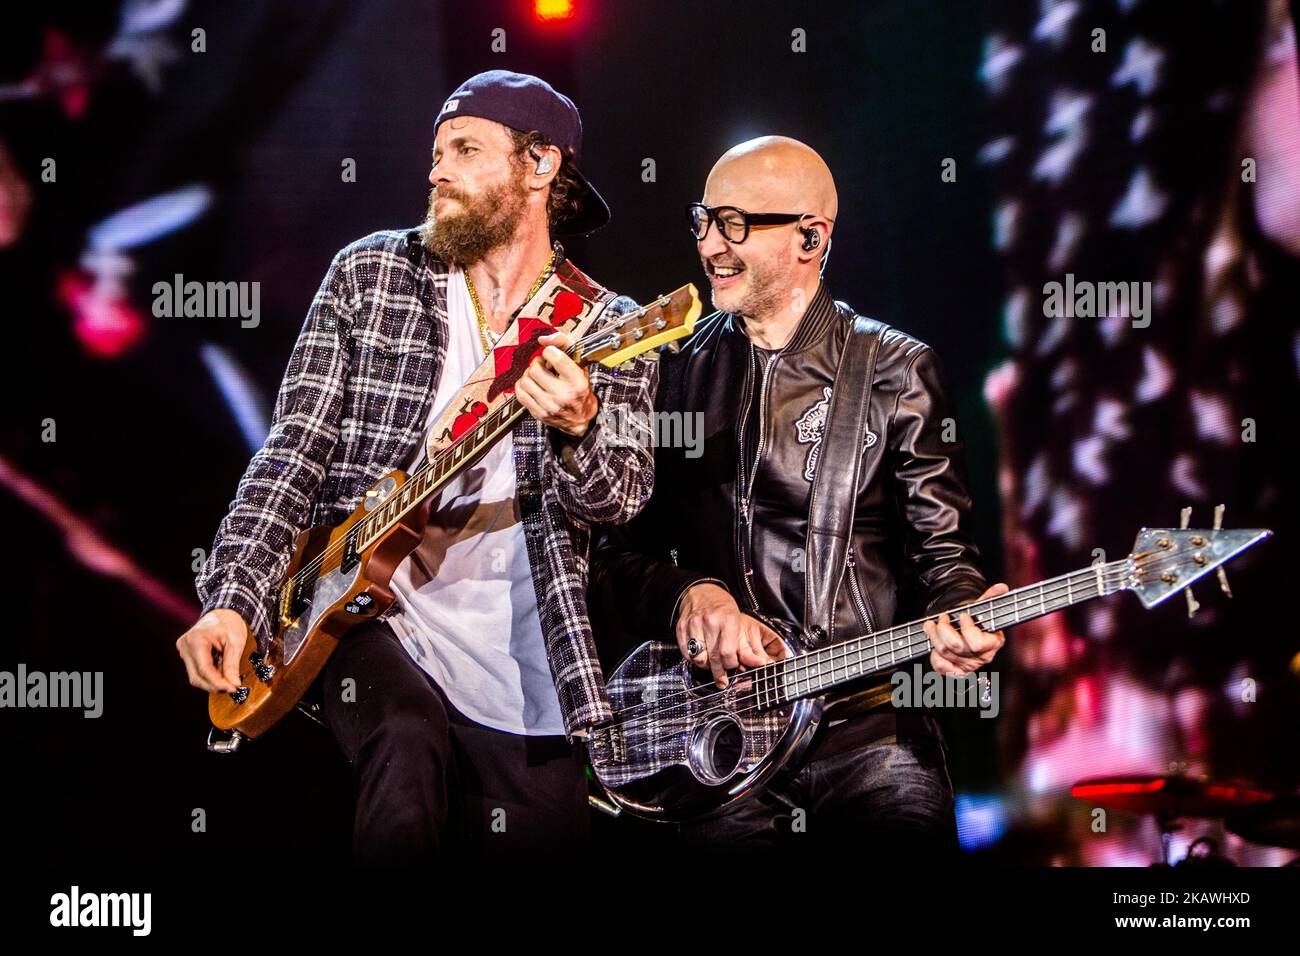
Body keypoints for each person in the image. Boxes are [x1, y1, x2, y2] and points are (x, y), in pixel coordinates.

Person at [175, 70, 657, 861]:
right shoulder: (372, 275)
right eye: (436, 153)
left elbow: (622, 498)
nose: (436, 171)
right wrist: (235, 598)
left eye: (466, 150)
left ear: (539, 169)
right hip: (371, 612)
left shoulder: (607, 326)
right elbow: (293, 452)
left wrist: (580, 426)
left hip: (528, 670)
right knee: (403, 742)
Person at [591, 136, 1008, 855]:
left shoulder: (897, 370)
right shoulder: (671, 372)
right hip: (719, 744)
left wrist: (961, 618)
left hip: (872, 737)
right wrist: (692, 595)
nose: (710, 245)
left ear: (811, 237)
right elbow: (613, 556)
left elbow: (946, 558)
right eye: (703, 221)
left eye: (735, 224)